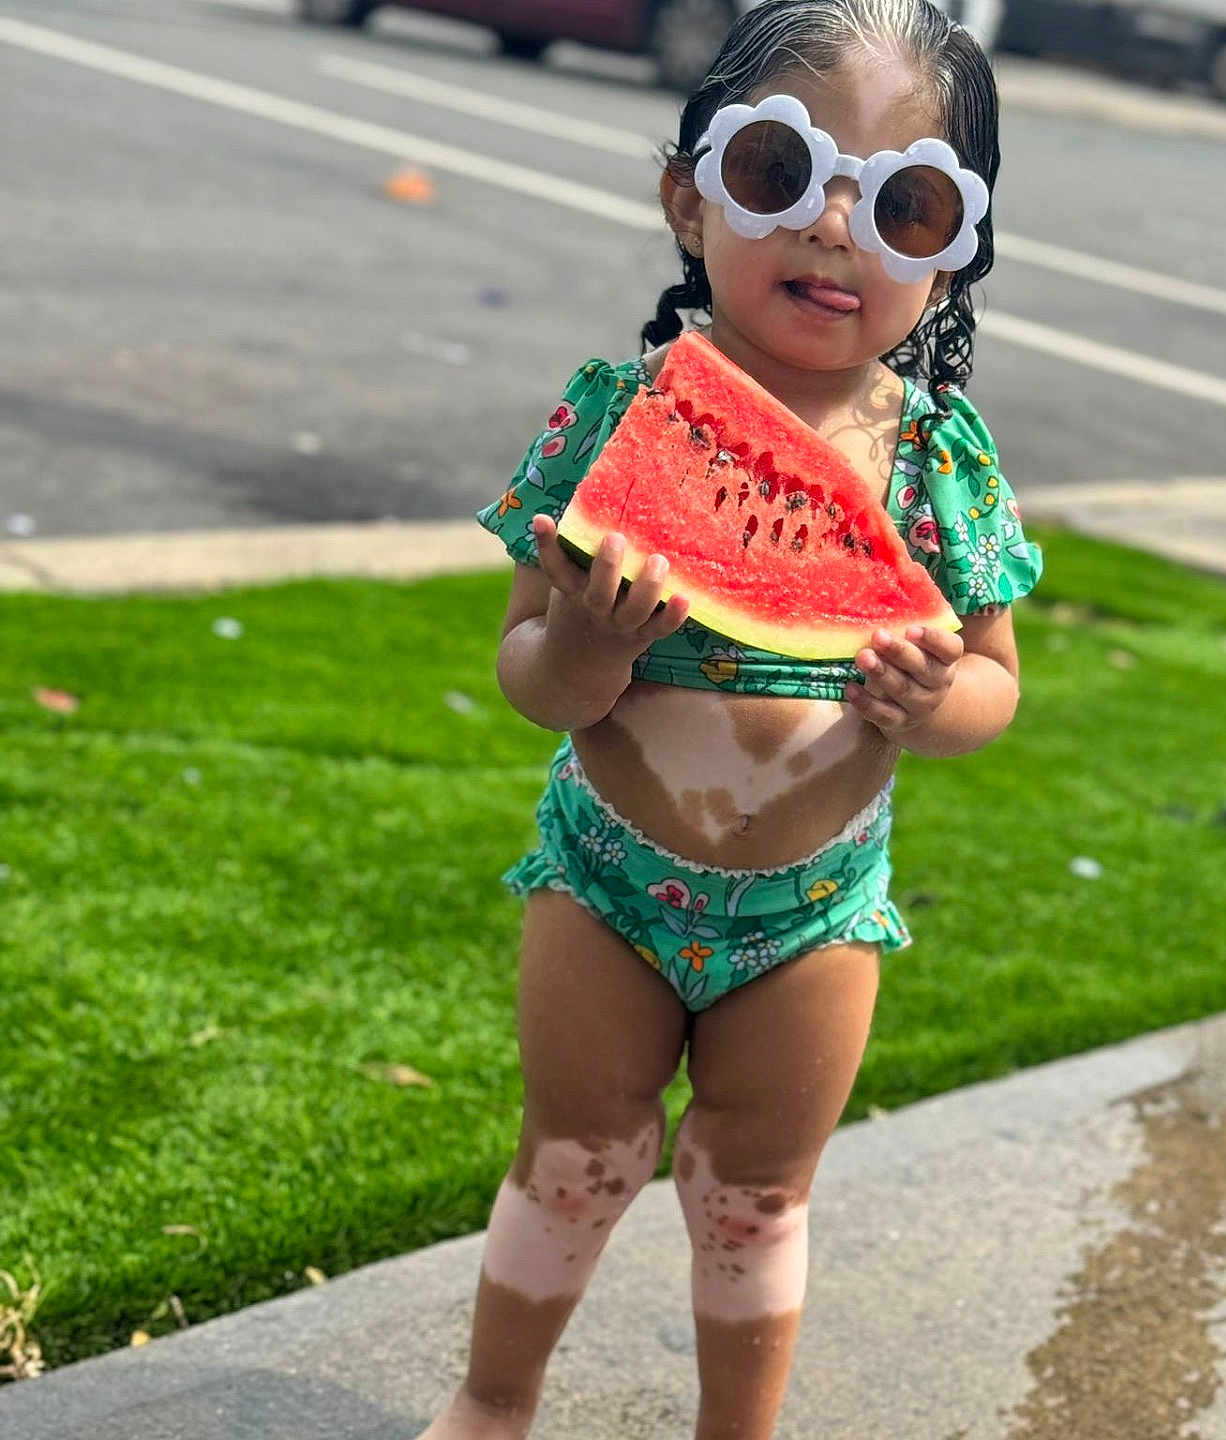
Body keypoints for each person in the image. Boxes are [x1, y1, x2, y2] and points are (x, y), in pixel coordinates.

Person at [418, 2, 1042, 1436]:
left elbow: (998, 687)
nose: (835, 226)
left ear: (950, 263)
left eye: (907, 202)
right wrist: (582, 645)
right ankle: (492, 1400)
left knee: (756, 1197)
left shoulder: (940, 461)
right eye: (780, 172)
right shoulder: (617, 416)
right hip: (605, 885)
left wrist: (941, 698)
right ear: (688, 199)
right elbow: (529, 677)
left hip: (814, 915)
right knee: (571, 1155)